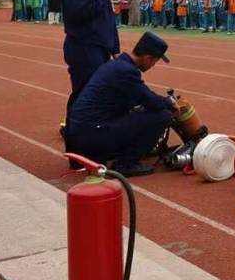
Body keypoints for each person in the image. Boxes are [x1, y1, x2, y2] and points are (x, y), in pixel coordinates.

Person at [64, 32, 176, 177]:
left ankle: (110, 152)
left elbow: (140, 97)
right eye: (154, 61)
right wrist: (169, 102)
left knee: (137, 112)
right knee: (162, 116)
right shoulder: (127, 72)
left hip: (80, 134)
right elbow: (151, 101)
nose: (153, 65)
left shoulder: (115, 65)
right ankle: (126, 164)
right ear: (148, 57)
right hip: (92, 135)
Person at [60, 0, 122, 133]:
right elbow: (76, 13)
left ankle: (89, 135)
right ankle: (74, 137)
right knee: (84, 93)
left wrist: (114, 46)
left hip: (100, 46)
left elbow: (106, 16)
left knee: (98, 93)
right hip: (84, 46)